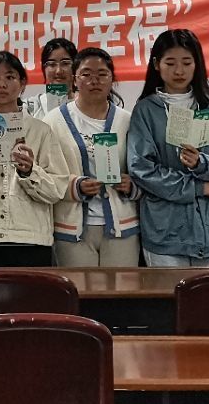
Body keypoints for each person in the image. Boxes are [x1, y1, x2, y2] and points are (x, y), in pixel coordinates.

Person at [128, 29, 209, 267]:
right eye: (170, 63)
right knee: (168, 292)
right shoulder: (145, 111)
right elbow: (141, 169)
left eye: (187, 63)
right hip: (165, 232)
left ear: (197, 64)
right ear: (156, 65)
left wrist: (202, 163)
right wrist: (197, 187)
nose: (179, 71)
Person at [0, 51, 70, 267]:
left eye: (10, 77)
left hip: (32, 240)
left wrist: (29, 171)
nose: (1, 84)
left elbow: (57, 189)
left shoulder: (41, 131)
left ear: (23, 83)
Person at [48, 48, 140, 266]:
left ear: (112, 79)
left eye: (102, 74)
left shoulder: (128, 121)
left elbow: (144, 167)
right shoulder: (53, 121)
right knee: (78, 287)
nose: (94, 81)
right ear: (74, 79)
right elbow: (44, 174)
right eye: (86, 74)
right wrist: (75, 186)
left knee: (123, 287)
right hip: (71, 230)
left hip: (122, 227)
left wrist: (132, 185)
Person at [32, 37, 78, 116]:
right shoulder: (33, 106)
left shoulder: (87, 103)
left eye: (65, 63)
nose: (58, 71)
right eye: (52, 64)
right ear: (44, 68)